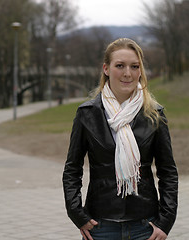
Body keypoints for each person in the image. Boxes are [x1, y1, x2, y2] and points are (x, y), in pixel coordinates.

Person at [62, 38, 178, 240]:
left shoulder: (154, 114)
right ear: (106, 69)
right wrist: (77, 214)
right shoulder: (87, 114)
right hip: (100, 226)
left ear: (140, 71)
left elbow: (168, 171)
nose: (127, 73)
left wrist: (165, 221)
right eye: (120, 66)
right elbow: (72, 169)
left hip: (145, 226)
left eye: (134, 66)